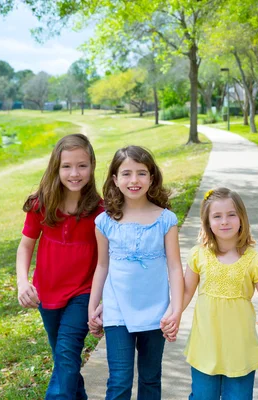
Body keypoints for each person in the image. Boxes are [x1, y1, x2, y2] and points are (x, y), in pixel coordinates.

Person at [173, 187, 258, 400]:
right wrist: (173, 315)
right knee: (202, 397)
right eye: (217, 216)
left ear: (242, 218)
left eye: (231, 214)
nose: (224, 221)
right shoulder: (199, 255)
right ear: (207, 222)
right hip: (205, 347)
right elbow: (187, 291)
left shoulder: (254, 260)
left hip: (240, 349)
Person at [87, 145, 184, 400]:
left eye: (141, 173)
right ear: (115, 180)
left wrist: (176, 309)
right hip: (117, 309)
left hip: (156, 311)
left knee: (151, 378)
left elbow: (174, 266)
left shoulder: (166, 219)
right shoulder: (105, 221)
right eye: (126, 173)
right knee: (119, 379)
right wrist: (93, 305)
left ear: (152, 178)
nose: (134, 180)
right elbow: (102, 266)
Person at [16, 133, 104, 399]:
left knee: (66, 352)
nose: (74, 173)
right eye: (67, 166)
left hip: (83, 293)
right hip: (47, 294)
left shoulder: (100, 211)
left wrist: (99, 301)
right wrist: (23, 281)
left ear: (92, 166)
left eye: (82, 166)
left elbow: (105, 261)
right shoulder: (40, 204)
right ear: (56, 168)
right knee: (64, 359)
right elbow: (25, 246)